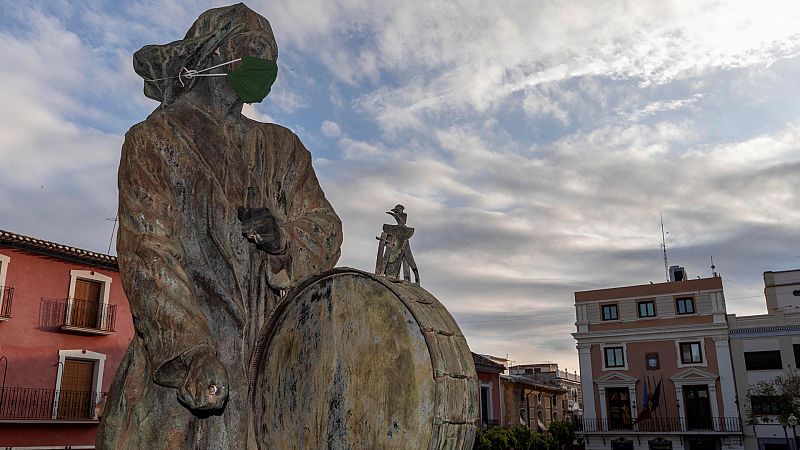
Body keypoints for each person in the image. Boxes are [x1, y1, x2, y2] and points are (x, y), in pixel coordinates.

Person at [97, 5, 342, 449]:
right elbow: (150, 252)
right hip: (190, 364)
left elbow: (326, 227)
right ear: (220, 51)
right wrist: (191, 350)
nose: (268, 67)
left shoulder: (283, 149)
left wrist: (283, 237)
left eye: (273, 56)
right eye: (258, 51)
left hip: (265, 366)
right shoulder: (154, 139)